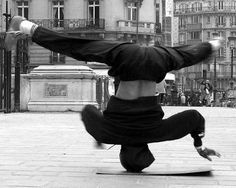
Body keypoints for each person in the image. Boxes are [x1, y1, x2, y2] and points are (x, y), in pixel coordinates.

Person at [5, 16, 221, 172]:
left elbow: (194, 117)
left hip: (156, 60)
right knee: (77, 47)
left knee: (185, 56)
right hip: (124, 57)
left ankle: (213, 44)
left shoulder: (158, 133)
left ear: (146, 150)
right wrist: (99, 134)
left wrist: (199, 145)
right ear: (121, 153)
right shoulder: (109, 133)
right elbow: (88, 111)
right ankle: (24, 26)